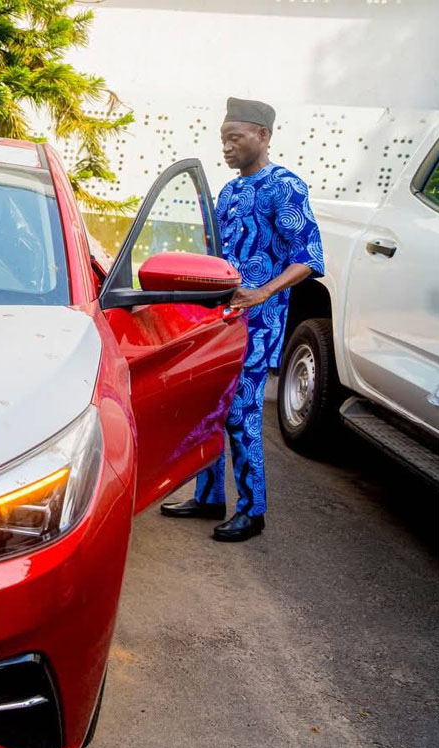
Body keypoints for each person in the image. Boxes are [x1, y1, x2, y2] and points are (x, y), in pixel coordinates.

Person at [161, 97, 325, 542]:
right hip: (219, 320)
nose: (227, 147)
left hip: (259, 322)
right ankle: (209, 497)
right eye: (223, 139)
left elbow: (309, 258)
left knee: (241, 411)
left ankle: (253, 511)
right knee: (210, 405)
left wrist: (263, 292)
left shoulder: (286, 187)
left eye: (235, 138)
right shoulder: (231, 191)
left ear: (263, 136)